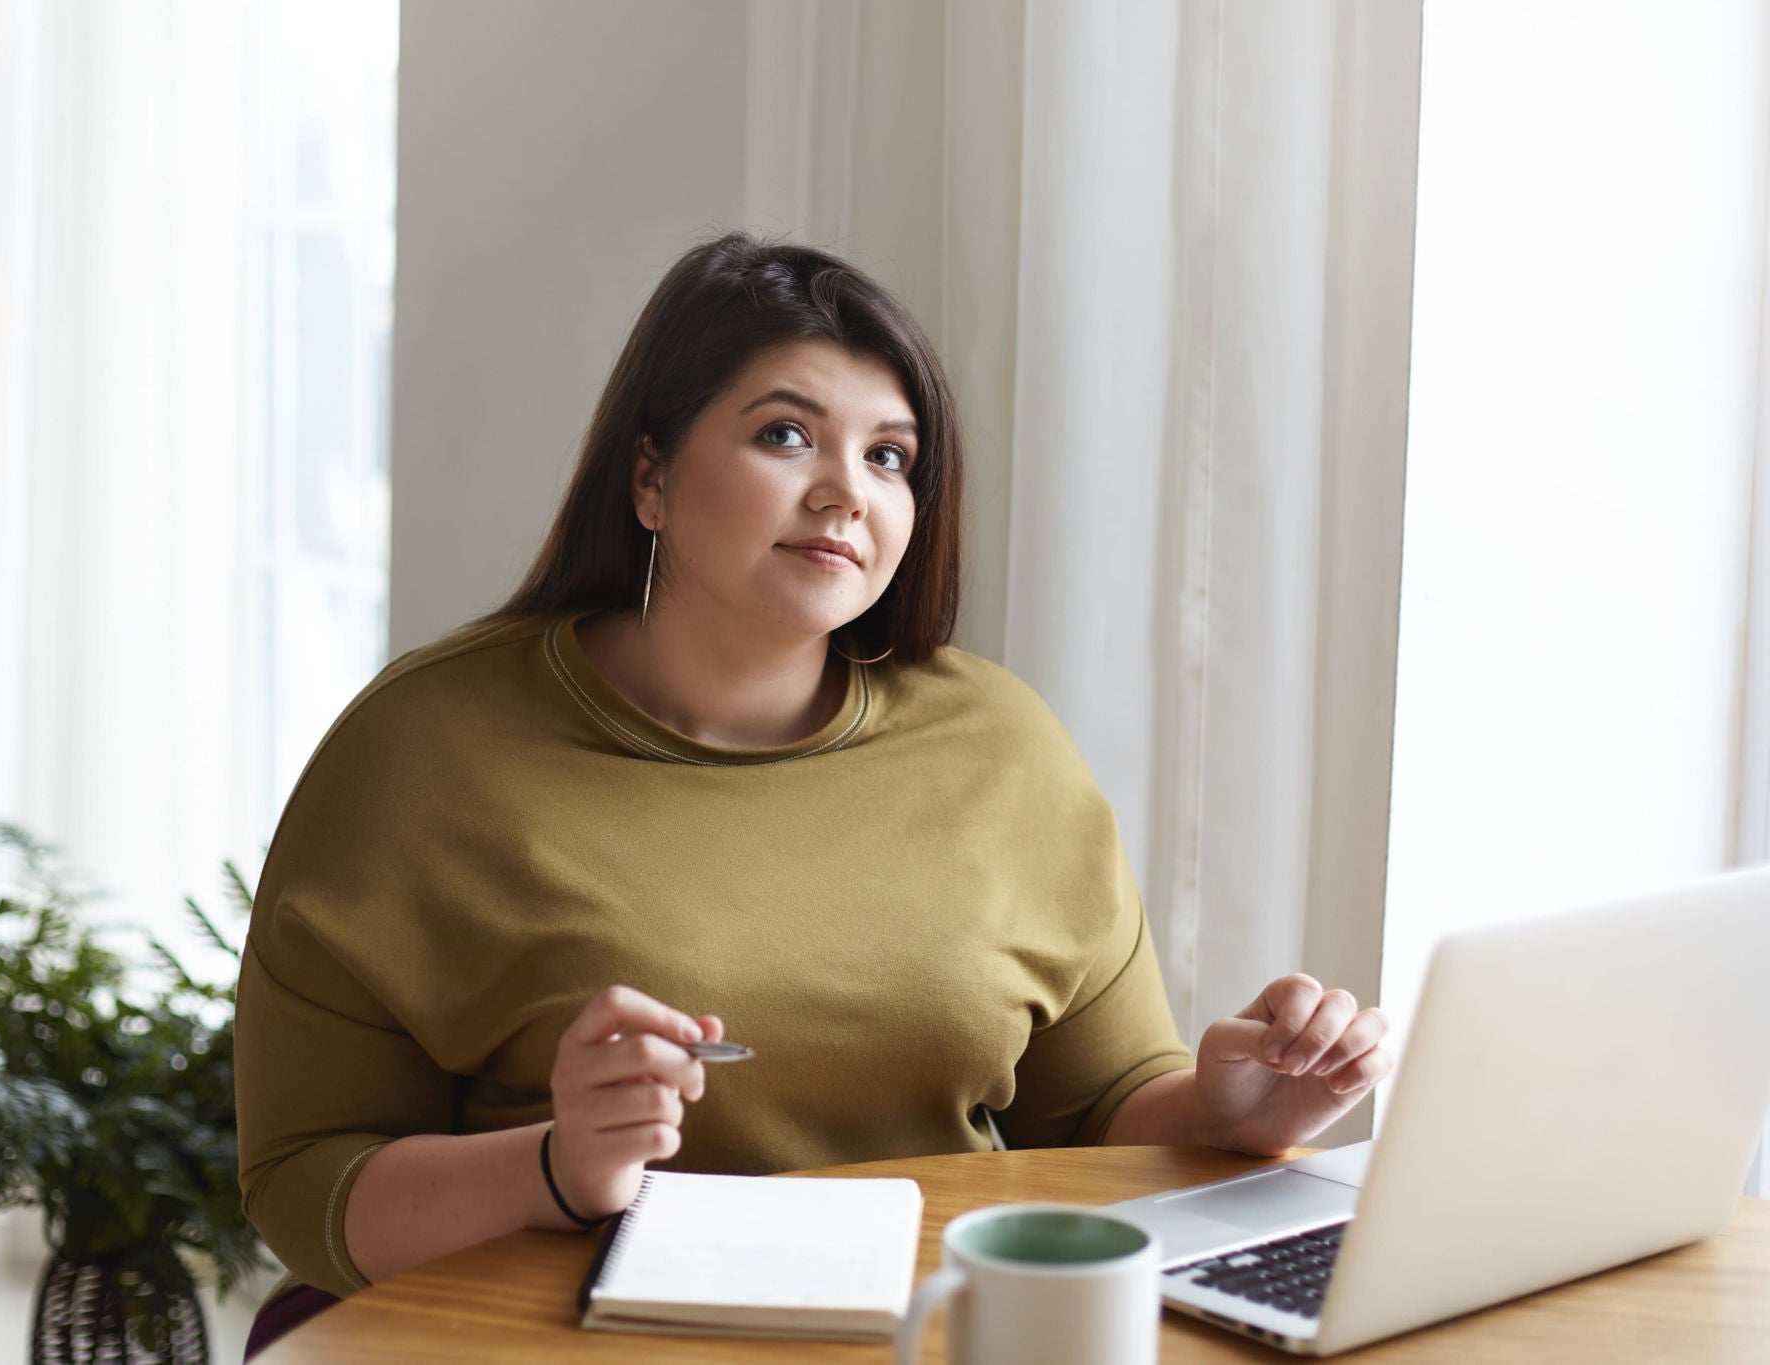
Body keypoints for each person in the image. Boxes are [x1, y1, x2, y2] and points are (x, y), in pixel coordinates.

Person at [233, 231, 1392, 1360]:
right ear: (649, 476)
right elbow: (303, 1182)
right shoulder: (421, 750)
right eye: (786, 435)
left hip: (941, 1335)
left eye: (889, 457)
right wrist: (555, 1166)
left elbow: (1094, 1116)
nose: (846, 492)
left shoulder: (998, 742)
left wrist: (1229, 1114)